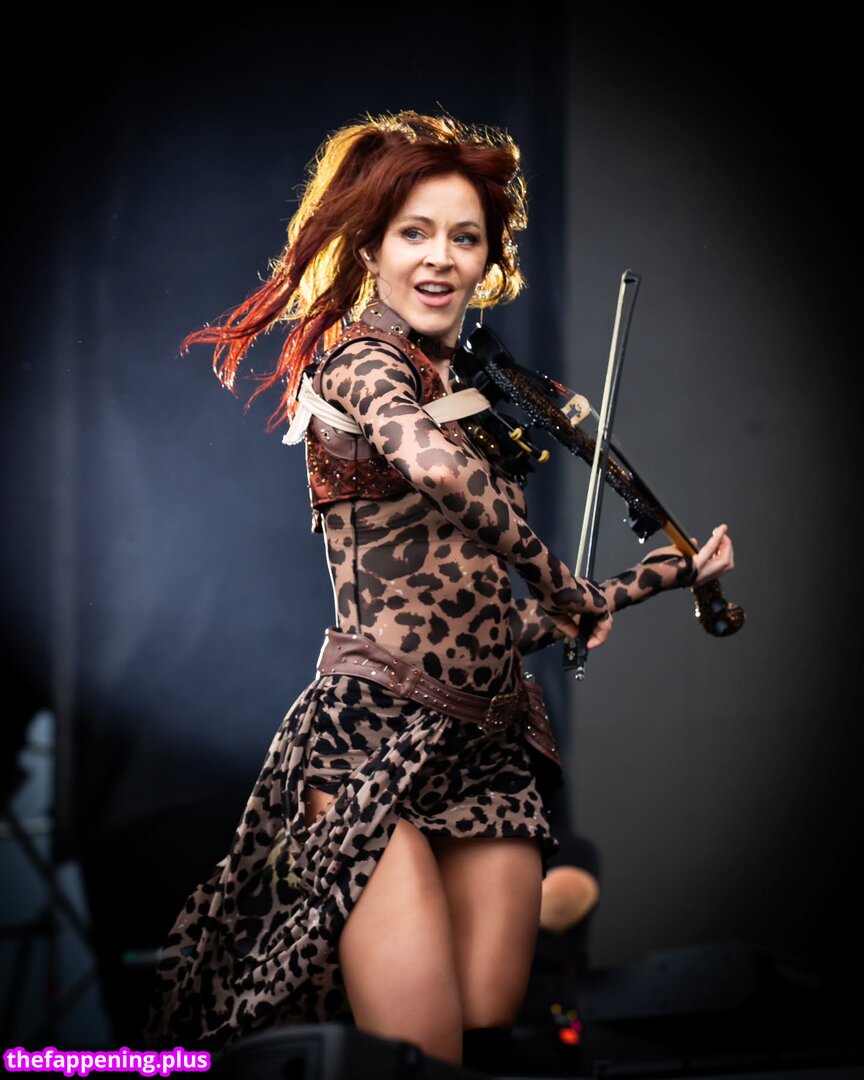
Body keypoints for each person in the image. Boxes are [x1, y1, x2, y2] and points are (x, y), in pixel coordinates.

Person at [144, 111, 735, 1067]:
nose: (439, 258)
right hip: (373, 735)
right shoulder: (364, 364)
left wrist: (663, 575)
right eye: (414, 232)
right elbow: (440, 474)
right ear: (371, 247)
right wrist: (565, 583)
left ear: (488, 259)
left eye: (465, 238)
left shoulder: (468, 384)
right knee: (420, 1056)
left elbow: (488, 622)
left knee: (489, 1041)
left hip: (491, 746)